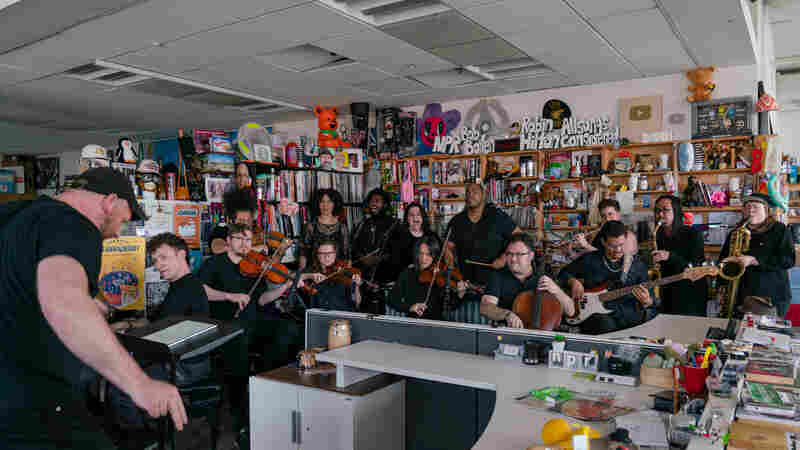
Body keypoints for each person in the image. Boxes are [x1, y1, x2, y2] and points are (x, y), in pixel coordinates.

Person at [0, 167, 186, 449]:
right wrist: (141, 385)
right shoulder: (74, 224)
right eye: (122, 222)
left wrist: (88, 303)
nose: (115, 235)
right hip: (31, 399)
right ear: (109, 202)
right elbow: (64, 303)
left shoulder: (19, 214)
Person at [108, 233, 212, 432]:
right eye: (155, 260)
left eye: (163, 258)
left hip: (185, 366)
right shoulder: (181, 285)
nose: (157, 265)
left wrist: (123, 337)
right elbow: (157, 322)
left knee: (121, 385)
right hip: (177, 358)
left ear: (181, 255)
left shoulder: (187, 288)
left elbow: (157, 332)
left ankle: (143, 439)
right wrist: (127, 324)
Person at [558, 221, 657, 335]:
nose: (618, 250)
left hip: (628, 318)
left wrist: (647, 301)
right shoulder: (590, 259)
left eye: (622, 245)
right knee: (603, 324)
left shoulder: (637, 265)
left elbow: (652, 301)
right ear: (603, 242)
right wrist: (573, 281)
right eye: (613, 246)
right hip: (595, 317)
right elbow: (563, 275)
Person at [720, 193, 794, 317]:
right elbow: (723, 261)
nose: (751, 210)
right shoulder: (735, 232)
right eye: (747, 207)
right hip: (740, 295)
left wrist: (754, 260)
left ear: (766, 210)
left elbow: (788, 260)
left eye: (755, 207)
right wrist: (721, 287)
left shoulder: (779, 229)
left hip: (769, 296)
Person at [480, 233, 574, 328]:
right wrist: (507, 314)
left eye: (519, 254)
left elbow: (570, 311)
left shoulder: (546, 277)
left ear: (531, 256)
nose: (513, 259)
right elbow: (486, 307)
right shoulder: (498, 276)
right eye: (509, 254)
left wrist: (557, 291)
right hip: (510, 333)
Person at [446, 182, 521, 288]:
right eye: (468, 192)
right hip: (467, 284)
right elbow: (448, 245)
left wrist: (504, 258)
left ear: (484, 195)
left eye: (475, 192)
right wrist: (447, 253)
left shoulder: (497, 216)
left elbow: (519, 236)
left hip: (496, 282)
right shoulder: (457, 221)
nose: (470, 195)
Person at [652, 195, 708, 316]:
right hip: (667, 292)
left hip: (690, 294)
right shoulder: (658, 234)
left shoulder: (693, 234)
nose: (660, 214)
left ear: (676, 212)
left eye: (665, 210)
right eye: (657, 211)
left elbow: (696, 267)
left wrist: (670, 256)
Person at [389, 235, 468, 320]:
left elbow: (449, 307)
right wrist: (410, 307)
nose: (423, 259)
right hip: (413, 322)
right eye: (421, 253)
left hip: (436, 323)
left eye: (428, 254)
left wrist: (460, 295)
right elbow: (392, 300)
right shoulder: (408, 273)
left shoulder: (440, 277)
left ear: (435, 255)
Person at [298, 240, 363, 312]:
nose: (326, 256)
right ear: (317, 255)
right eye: (322, 253)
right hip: (318, 316)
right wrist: (310, 276)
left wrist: (357, 286)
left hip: (343, 316)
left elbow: (357, 303)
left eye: (330, 253)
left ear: (335, 254)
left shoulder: (345, 272)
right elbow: (293, 279)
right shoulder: (311, 271)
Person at [351, 188, 397, 283]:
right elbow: (353, 247)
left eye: (377, 201)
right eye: (371, 201)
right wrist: (362, 258)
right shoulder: (362, 224)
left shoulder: (394, 224)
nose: (373, 204)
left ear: (385, 204)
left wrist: (379, 259)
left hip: (386, 277)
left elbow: (397, 251)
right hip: (363, 277)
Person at [385, 202, 440, 281]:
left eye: (418, 214)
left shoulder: (432, 235)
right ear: (407, 218)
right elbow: (394, 262)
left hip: (430, 278)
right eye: (411, 215)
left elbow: (438, 257)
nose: (415, 218)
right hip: (406, 278)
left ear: (423, 217)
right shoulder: (398, 236)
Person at [300, 188, 350, 269]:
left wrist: (347, 275)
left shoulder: (342, 227)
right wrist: (302, 275)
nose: (325, 205)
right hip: (314, 273)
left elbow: (347, 254)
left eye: (329, 202)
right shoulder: (310, 226)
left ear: (335, 204)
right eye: (322, 201)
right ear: (317, 204)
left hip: (337, 272)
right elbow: (303, 254)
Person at [570, 198, 638, 257]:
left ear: (618, 214)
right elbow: (588, 254)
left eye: (610, 214)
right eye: (603, 216)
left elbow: (616, 262)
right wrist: (570, 251)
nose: (607, 219)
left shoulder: (628, 236)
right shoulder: (598, 233)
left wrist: (586, 245)